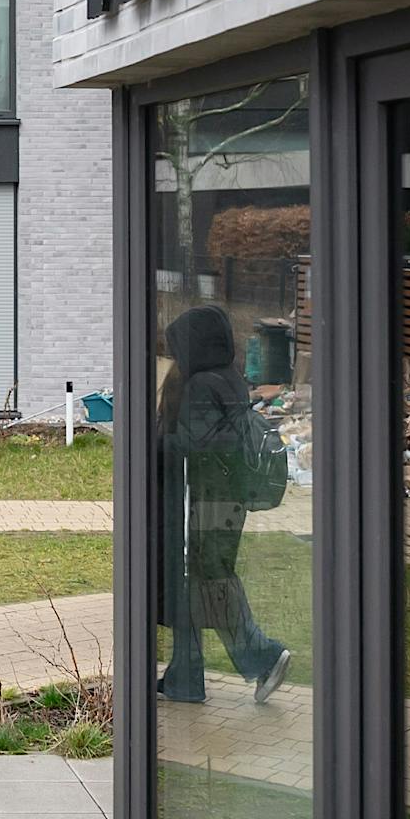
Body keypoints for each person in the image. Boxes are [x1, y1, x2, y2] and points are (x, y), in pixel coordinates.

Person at [157, 302, 291, 705]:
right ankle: (185, 676)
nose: (176, 357)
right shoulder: (227, 379)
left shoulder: (201, 385)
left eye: (179, 348)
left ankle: (262, 655)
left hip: (207, 502)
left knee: (210, 583)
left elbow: (199, 444)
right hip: (221, 500)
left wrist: (157, 443)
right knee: (197, 583)